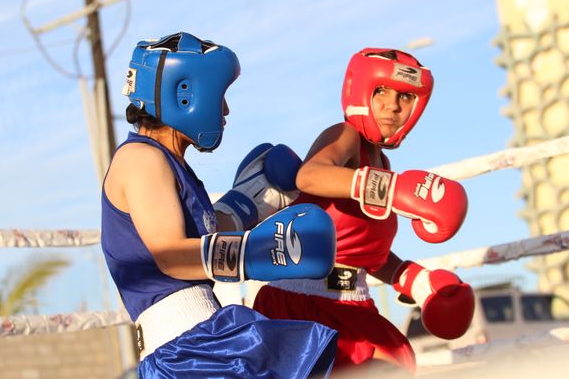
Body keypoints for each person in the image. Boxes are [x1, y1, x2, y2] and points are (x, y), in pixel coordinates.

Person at [101, 32, 339, 379]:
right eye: (220, 96)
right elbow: (171, 255)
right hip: (186, 352)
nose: (225, 109)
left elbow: (209, 231)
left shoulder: (168, 163)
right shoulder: (141, 159)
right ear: (184, 94)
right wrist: (257, 253)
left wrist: (251, 201)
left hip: (205, 339)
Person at [253, 48, 475, 374]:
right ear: (360, 91)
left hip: (352, 301)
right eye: (382, 91)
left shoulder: (381, 162)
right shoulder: (345, 136)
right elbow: (310, 175)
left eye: (405, 96)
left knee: (397, 361)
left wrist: (413, 280)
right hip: (303, 302)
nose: (393, 105)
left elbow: (362, 250)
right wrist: (390, 189)